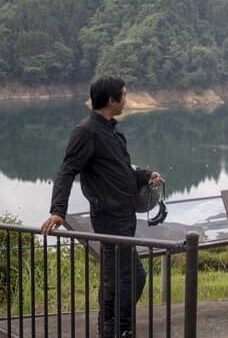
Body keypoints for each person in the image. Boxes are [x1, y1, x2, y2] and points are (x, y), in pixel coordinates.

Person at [41, 76, 165, 337]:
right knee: (132, 277)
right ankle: (119, 329)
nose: (127, 99)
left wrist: (146, 176)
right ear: (112, 100)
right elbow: (67, 171)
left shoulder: (111, 131)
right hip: (109, 218)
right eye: (124, 94)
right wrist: (58, 210)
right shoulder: (86, 131)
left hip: (125, 216)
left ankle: (110, 329)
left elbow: (121, 170)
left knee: (114, 278)